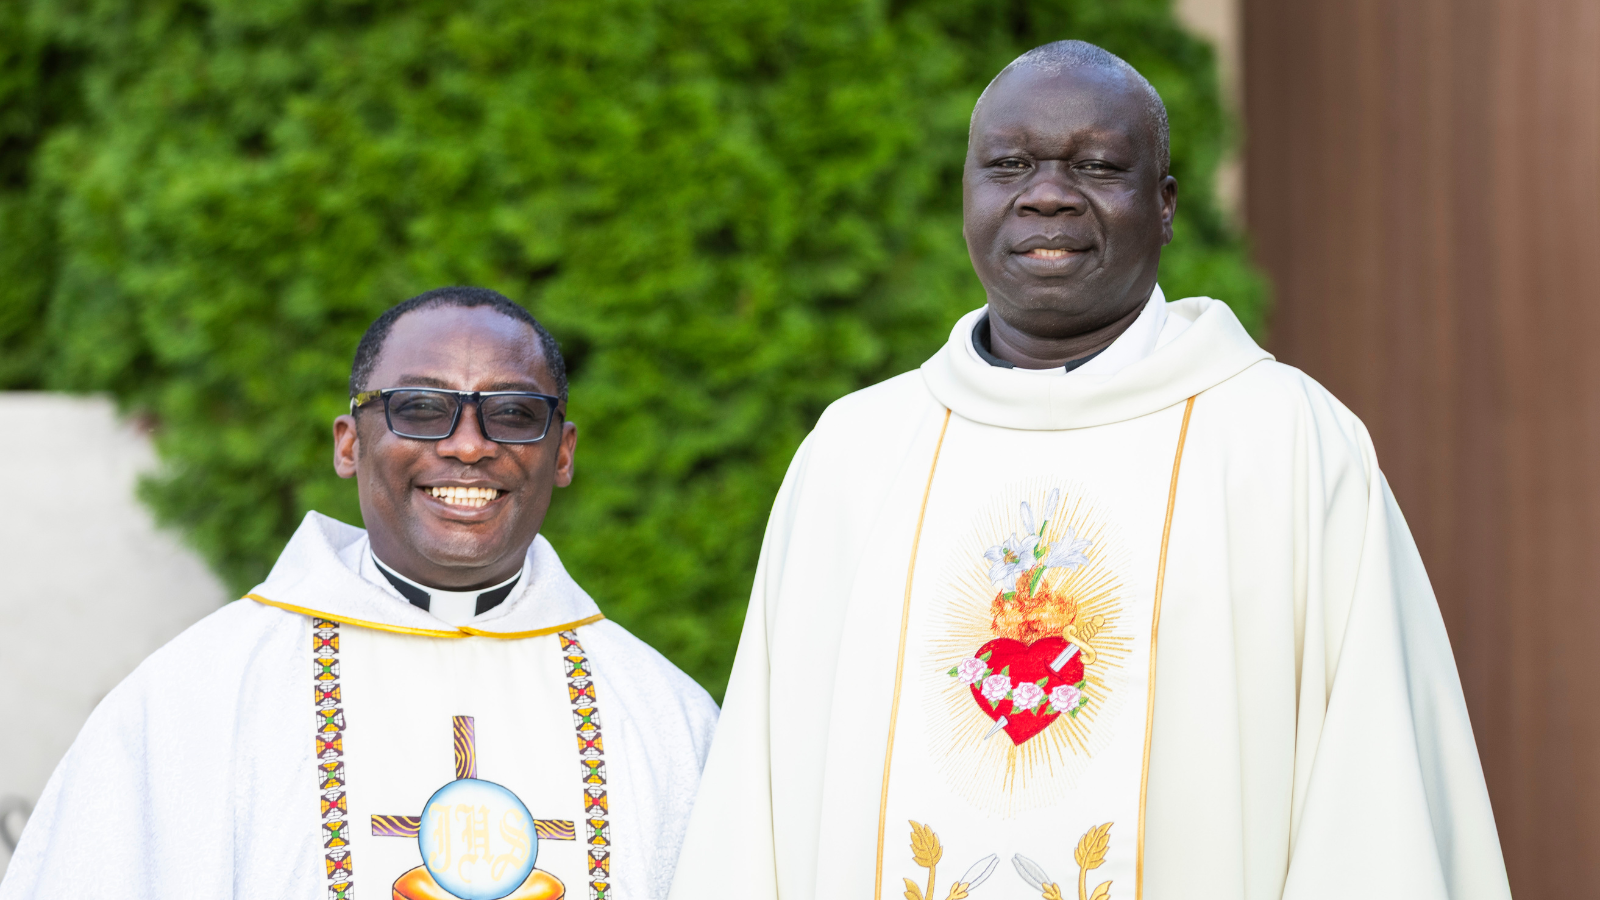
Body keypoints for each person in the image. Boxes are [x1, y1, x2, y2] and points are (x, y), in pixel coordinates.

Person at [667, 41, 1511, 900]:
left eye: (1096, 165)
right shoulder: (856, 456)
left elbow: (1371, 790)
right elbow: (761, 795)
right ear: (968, 195)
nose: (1046, 194)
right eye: (1010, 164)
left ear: (1166, 204)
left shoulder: (1284, 444)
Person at [1, 287, 718, 900]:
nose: (468, 445)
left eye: (513, 413)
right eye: (420, 407)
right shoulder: (197, 699)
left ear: (561, 453)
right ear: (348, 444)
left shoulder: (662, 717)